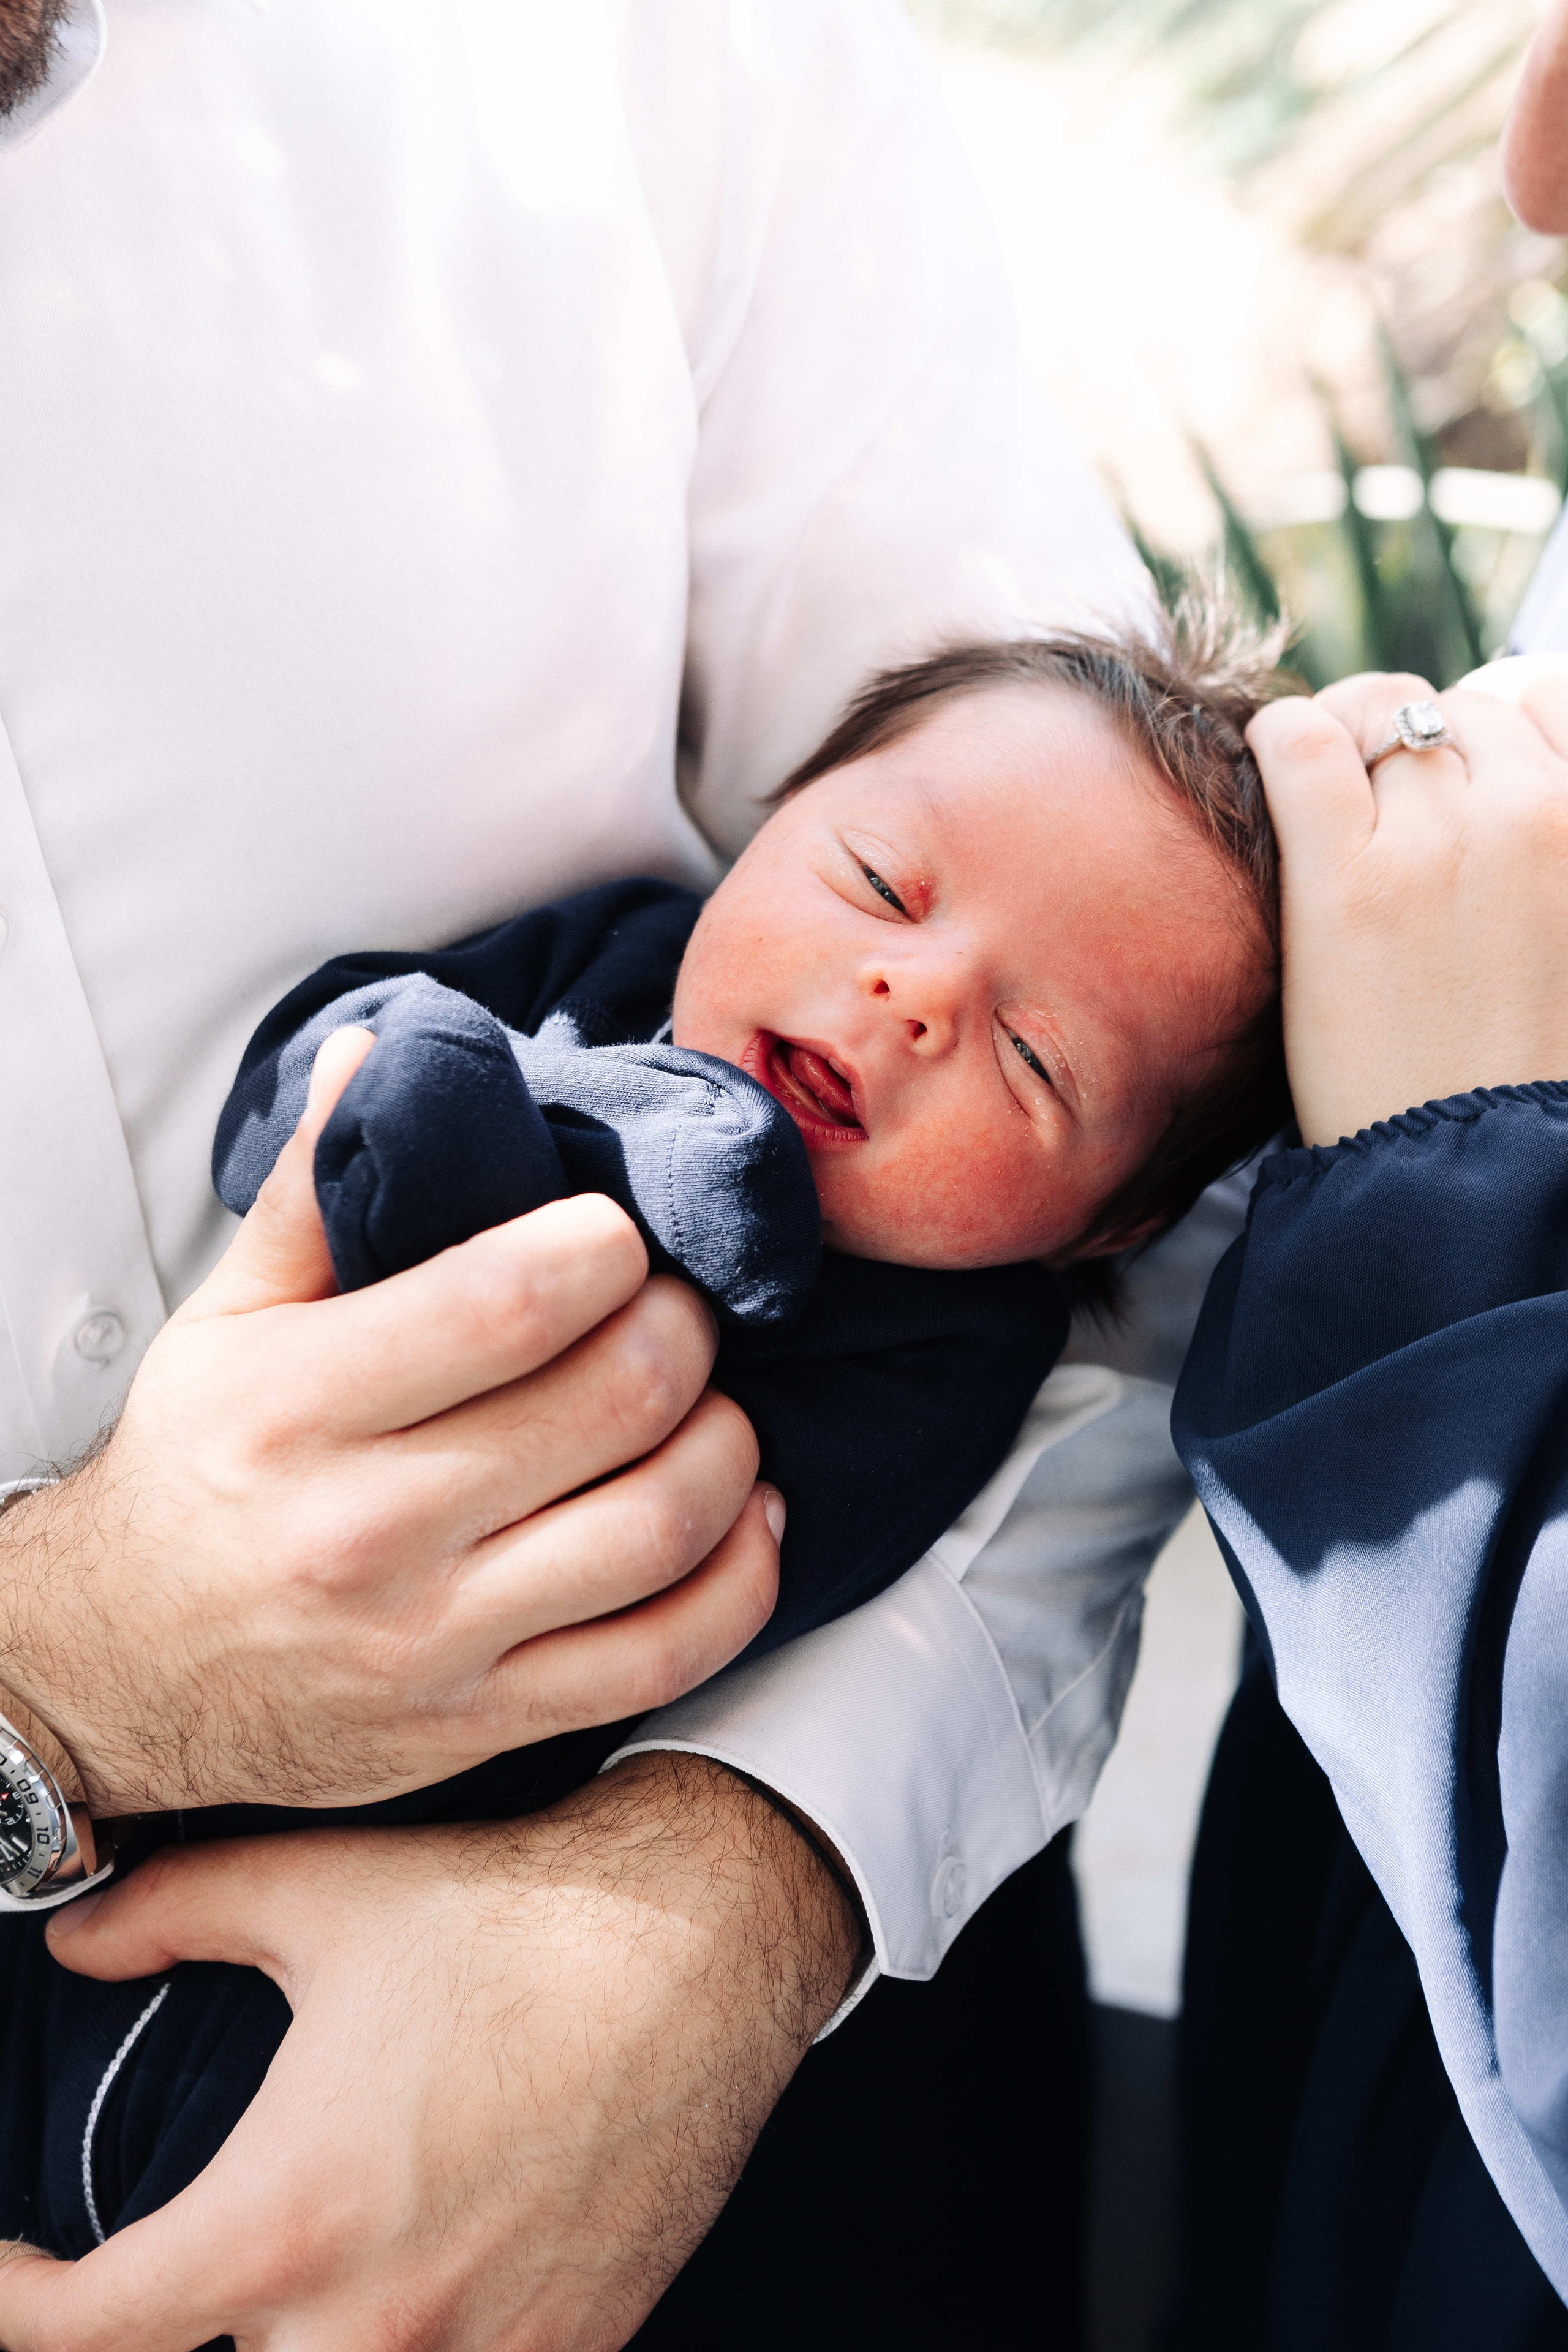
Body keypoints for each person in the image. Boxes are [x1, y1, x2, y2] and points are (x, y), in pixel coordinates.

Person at [0, 7, 1248, 2346]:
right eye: (875, 898)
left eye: (1025, 1053)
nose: (902, 1001)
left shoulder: (664, 61)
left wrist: (706, 1914)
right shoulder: (603, 990)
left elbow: (1179, 1107)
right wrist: (61, 1673)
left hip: (779, 2092)